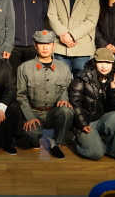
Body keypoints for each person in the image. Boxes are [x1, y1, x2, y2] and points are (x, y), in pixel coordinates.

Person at [16, 30, 75, 159]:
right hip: (34, 111)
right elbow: (20, 95)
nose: (45, 47)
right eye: (41, 44)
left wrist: (64, 99)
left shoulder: (64, 68)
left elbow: (66, 88)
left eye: (48, 44)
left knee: (67, 111)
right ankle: (34, 141)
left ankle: (56, 143)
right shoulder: (24, 68)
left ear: (53, 45)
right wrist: (30, 116)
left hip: (53, 112)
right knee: (32, 134)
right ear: (35, 46)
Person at [69, 48, 115, 161]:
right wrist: (82, 124)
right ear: (95, 62)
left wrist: (114, 90)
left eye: (108, 63)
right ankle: (81, 141)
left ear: (112, 64)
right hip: (86, 121)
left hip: (103, 120)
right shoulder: (83, 77)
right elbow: (75, 103)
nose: (104, 66)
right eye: (101, 62)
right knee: (96, 154)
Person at [47, 0, 100, 75]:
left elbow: (91, 21)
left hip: (82, 48)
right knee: (61, 80)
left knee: (82, 81)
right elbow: (52, 16)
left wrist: (71, 36)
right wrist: (64, 37)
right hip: (60, 47)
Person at [3, 0, 49, 73]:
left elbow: (43, 15)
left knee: (33, 77)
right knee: (13, 77)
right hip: (12, 46)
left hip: (34, 44)